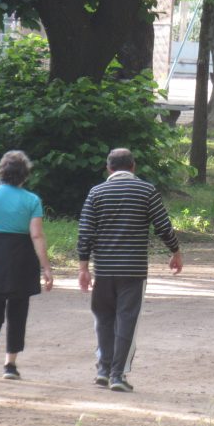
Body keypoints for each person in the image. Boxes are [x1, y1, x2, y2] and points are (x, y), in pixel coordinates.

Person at [77, 148, 183, 392]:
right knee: (127, 319)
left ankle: (103, 370)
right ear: (133, 167)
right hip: (133, 270)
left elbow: (85, 231)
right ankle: (118, 375)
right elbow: (163, 226)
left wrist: (84, 266)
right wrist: (175, 251)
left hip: (103, 268)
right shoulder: (146, 191)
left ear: (109, 168)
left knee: (103, 319)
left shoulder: (96, 192)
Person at [0, 150, 53, 380]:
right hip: (22, 258)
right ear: (25, 175)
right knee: (18, 311)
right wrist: (45, 267)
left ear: (2, 171)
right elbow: (36, 236)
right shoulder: (32, 200)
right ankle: (10, 366)